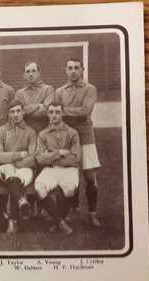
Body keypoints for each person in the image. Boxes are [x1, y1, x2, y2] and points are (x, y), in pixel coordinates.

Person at [54, 58, 101, 227]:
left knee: (89, 176)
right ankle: (72, 210)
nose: (73, 71)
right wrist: (68, 113)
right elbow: (57, 113)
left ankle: (92, 213)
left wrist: (65, 111)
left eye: (76, 68)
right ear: (65, 70)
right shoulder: (60, 91)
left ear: (82, 70)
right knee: (69, 174)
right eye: (69, 68)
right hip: (67, 138)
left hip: (86, 135)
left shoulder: (90, 89)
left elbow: (85, 111)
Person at [34, 103, 82, 235]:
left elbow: (76, 158)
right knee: (39, 187)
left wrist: (50, 156)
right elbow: (39, 159)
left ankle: (57, 223)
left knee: (69, 189)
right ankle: (60, 222)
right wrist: (59, 153)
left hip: (69, 169)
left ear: (62, 114)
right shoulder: (43, 134)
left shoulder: (72, 133)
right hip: (51, 169)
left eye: (57, 112)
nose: (54, 115)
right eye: (51, 112)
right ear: (47, 114)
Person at [0, 99, 37, 234]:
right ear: (8, 114)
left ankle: (12, 222)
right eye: (12, 112)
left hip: (24, 168)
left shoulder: (31, 132)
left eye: (18, 111)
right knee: (11, 175)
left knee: (15, 180)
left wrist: (14, 161)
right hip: (5, 168)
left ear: (23, 112)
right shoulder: (1, 131)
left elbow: (32, 157)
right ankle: (21, 202)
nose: (16, 114)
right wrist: (19, 154)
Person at [15, 61, 55, 133]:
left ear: (39, 73)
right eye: (28, 72)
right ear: (24, 75)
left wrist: (26, 109)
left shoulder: (48, 89)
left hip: (45, 131)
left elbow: (46, 111)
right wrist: (39, 106)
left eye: (33, 71)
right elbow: (18, 113)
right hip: (25, 132)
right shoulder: (19, 93)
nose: (31, 74)